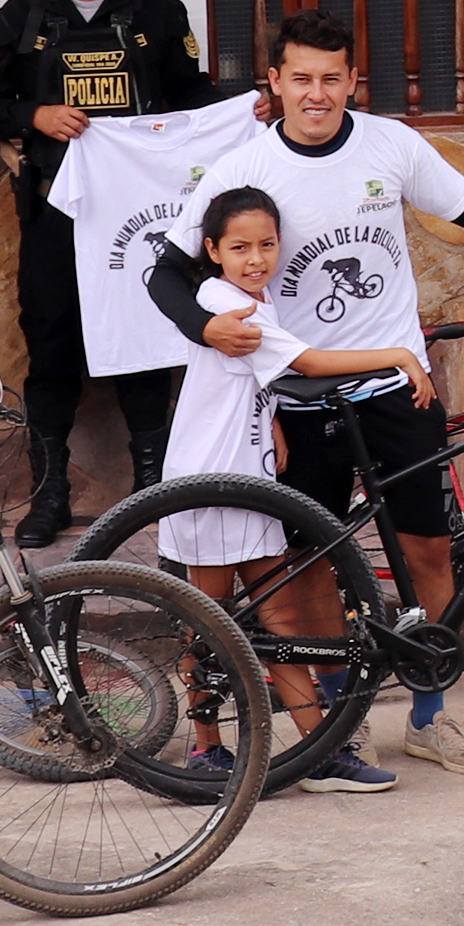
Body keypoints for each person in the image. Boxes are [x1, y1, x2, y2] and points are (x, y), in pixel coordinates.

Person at [144, 6, 464, 783]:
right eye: (299, 78)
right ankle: (338, 723)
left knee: (429, 551)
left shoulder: (390, 144)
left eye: (330, 78)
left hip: (398, 391)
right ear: (273, 82)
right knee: (307, 562)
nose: (316, 93)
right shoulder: (242, 169)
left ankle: (431, 717)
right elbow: (165, 272)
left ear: (351, 80)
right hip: (298, 401)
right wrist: (205, 332)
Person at [0, 0, 234, 546]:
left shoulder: (157, 12)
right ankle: (48, 494)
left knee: (146, 340)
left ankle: (153, 488)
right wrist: (34, 116)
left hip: (138, 219)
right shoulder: (21, 17)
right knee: (52, 347)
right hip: (56, 215)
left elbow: (194, 95)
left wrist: (235, 114)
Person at [154, 183, 437, 781]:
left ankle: (318, 751)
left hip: (252, 484)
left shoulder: (253, 297)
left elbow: (262, 378)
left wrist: (275, 424)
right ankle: (205, 744)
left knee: (281, 618)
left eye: (267, 244)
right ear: (211, 249)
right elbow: (307, 363)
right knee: (206, 619)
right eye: (240, 247)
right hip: (209, 486)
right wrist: (401, 356)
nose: (256, 258)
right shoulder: (227, 302)